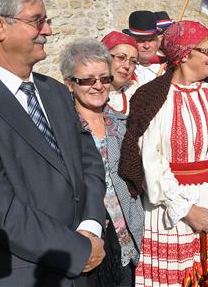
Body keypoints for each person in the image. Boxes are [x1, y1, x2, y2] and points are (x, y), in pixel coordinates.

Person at [0, 0, 106, 285]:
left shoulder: (56, 92)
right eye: (37, 21)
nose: (47, 30)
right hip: (24, 273)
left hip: (82, 266)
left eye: (46, 20)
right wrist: (75, 249)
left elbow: (88, 162)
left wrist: (90, 226)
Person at [118, 20, 208, 286]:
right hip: (174, 214)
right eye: (206, 51)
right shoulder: (152, 98)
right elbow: (150, 161)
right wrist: (187, 210)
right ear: (184, 56)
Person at [60, 39, 144, 286]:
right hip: (89, 246)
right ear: (69, 84)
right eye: (87, 80)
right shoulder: (62, 132)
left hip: (131, 245)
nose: (98, 86)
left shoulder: (125, 125)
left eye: (105, 79)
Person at [101, 31, 140, 116]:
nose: (127, 66)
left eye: (133, 61)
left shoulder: (137, 96)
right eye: (121, 57)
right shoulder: (84, 92)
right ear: (104, 57)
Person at [123, 10, 166, 86]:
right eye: (140, 40)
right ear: (131, 41)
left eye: (151, 40)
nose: (146, 46)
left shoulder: (168, 69)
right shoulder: (122, 70)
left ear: (157, 41)